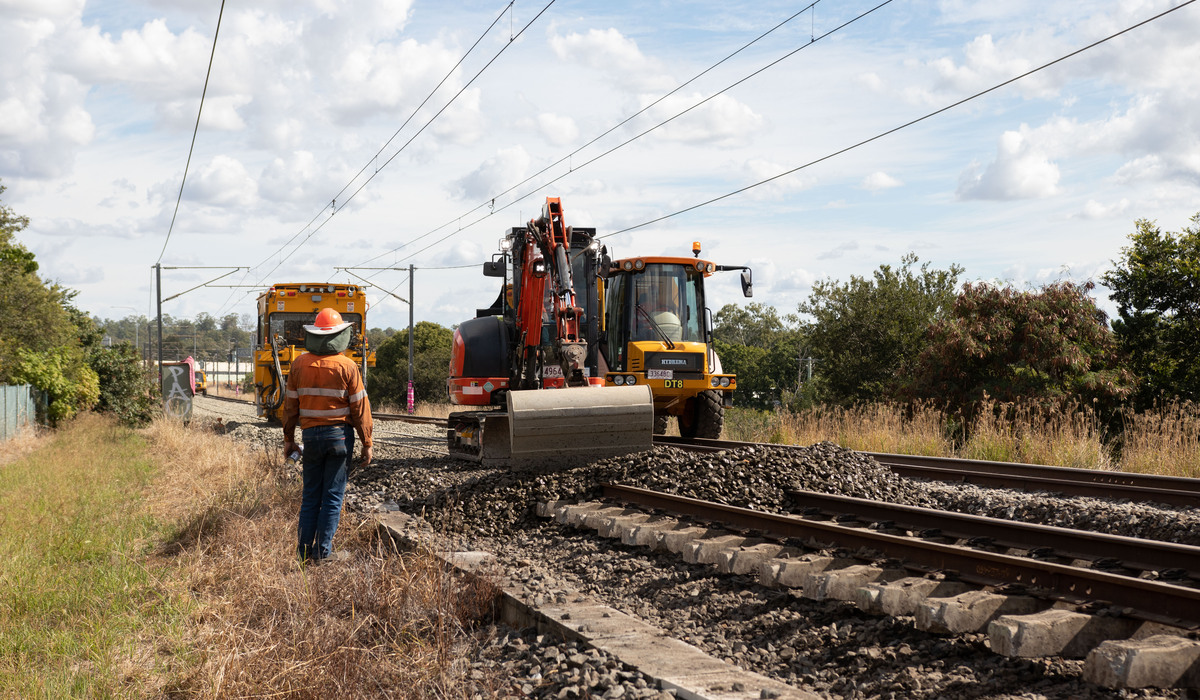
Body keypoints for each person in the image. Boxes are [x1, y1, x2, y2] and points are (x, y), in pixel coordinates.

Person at [282, 307, 373, 563]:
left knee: (311, 495)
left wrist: (289, 439)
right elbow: (360, 408)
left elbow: (290, 407)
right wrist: (367, 442)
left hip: (310, 438)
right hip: (340, 438)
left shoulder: (299, 364)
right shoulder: (348, 366)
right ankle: (322, 554)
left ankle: (302, 553)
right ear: (339, 336)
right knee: (332, 496)